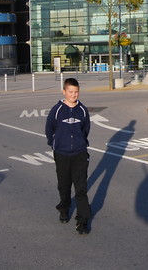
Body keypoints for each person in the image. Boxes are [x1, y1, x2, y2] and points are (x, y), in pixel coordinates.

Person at [45, 77, 92, 235]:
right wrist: (55, 143)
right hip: (62, 153)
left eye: (76, 92)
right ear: (64, 92)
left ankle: (82, 220)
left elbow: (85, 129)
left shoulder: (83, 110)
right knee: (64, 185)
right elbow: (49, 128)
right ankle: (64, 208)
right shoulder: (57, 109)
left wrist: (80, 143)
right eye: (70, 92)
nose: (74, 95)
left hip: (79, 153)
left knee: (81, 188)